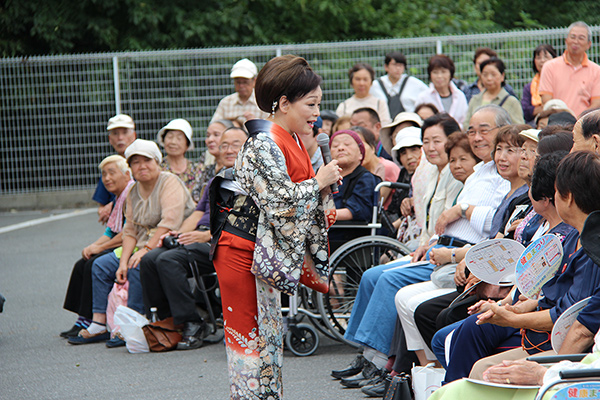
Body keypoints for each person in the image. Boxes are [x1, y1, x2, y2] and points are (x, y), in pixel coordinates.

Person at [211, 55, 340, 399]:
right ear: (283, 103)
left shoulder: (292, 138)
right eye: (311, 104)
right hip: (242, 250)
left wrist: (320, 190)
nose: (317, 113)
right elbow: (280, 203)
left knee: (267, 339)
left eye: (318, 104)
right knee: (250, 345)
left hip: (260, 249)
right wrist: (318, 182)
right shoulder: (263, 142)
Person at [68, 139, 195, 345]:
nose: (142, 166)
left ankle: (133, 324)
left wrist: (144, 250)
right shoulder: (133, 191)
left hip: (171, 239)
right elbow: (130, 231)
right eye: (135, 162)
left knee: (138, 264)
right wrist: (123, 261)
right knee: (100, 265)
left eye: (147, 160)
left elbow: (168, 223)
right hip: (142, 243)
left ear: (157, 162)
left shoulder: (169, 181)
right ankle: (99, 324)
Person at [140, 127, 248, 350]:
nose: (228, 149)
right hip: (200, 236)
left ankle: (192, 323)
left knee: (168, 260)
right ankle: (169, 319)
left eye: (235, 144)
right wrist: (179, 234)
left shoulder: (250, 180)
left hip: (225, 241)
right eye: (224, 145)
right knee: (150, 259)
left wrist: (206, 235)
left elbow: (245, 222)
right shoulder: (216, 180)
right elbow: (198, 213)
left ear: (247, 148)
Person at [61, 155, 134, 339]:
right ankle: (83, 317)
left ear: (126, 175)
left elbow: (128, 233)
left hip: (131, 245)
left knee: (95, 263)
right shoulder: (118, 198)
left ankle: (94, 320)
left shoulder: (131, 193)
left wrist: (100, 248)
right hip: (120, 242)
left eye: (112, 173)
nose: (107, 178)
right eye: (104, 174)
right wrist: (93, 245)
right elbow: (110, 232)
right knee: (82, 262)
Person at [328, 129, 381, 250]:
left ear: (360, 154)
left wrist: (325, 215)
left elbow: (357, 211)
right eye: (335, 146)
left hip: (350, 237)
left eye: (347, 144)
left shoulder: (366, 178)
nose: (340, 148)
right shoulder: (326, 179)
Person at [540, 21, 600, 117]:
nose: (576, 41)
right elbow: (547, 101)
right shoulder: (549, 67)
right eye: (572, 37)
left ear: (589, 44)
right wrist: (563, 119)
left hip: (583, 125)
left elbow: (596, 104)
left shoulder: (597, 71)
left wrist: (578, 120)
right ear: (566, 40)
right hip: (556, 124)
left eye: (581, 38)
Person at [94, 114, 137, 224]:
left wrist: (115, 205)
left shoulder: (144, 163)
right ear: (110, 139)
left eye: (124, 132)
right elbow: (101, 205)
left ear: (134, 135)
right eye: (115, 134)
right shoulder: (109, 166)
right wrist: (104, 212)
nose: (120, 138)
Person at [465, 58, 525, 125]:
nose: (489, 78)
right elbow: (467, 125)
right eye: (485, 74)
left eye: (493, 74)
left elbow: (518, 127)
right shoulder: (475, 99)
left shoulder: (512, 102)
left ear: (502, 76)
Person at [415, 55, 469, 128]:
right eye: (435, 72)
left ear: (450, 73)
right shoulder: (423, 97)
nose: (439, 76)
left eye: (443, 72)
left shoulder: (460, 95)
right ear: (430, 75)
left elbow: (465, 121)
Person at [210, 58, 268, 125]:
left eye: (245, 82)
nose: (241, 86)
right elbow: (214, 126)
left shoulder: (262, 102)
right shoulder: (226, 103)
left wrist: (255, 123)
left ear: (254, 81)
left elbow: (268, 130)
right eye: (238, 82)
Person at [369, 51, 428, 118]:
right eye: (395, 65)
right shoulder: (375, 85)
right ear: (386, 67)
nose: (398, 68)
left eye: (401, 65)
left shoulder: (415, 83)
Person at [157, 118, 203, 202]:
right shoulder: (157, 168)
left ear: (187, 144)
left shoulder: (198, 169)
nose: (173, 142)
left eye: (179, 138)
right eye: (170, 137)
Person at [193, 119, 234, 200]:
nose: (210, 139)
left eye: (216, 135)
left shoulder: (233, 170)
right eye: (208, 136)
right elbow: (195, 195)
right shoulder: (208, 169)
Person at [521, 44, 557, 125]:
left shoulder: (560, 82)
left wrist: (537, 109)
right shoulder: (529, 87)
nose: (542, 60)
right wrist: (547, 108)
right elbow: (526, 111)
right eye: (538, 58)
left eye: (546, 57)